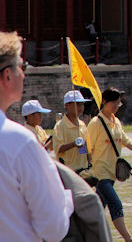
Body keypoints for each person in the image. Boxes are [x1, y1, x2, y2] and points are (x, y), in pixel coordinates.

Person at [0, 31, 72, 241]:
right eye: (22, 67)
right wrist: (67, 199)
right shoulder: (19, 142)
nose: (24, 74)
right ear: (7, 76)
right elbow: (53, 227)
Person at [86, 87, 132, 242]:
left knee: (96, 210)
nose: (116, 107)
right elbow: (88, 148)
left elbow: (126, 142)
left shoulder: (116, 122)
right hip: (99, 173)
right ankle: (128, 238)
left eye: (119, 104)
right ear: (104, 102)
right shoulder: (95, 123)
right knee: (115, 203)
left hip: (111, 174)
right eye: (113, 103)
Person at [53, 90, 93, 176]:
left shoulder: (82, 125)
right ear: (67, 105)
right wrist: (73, 144)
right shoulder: (60, 126)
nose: (81, 107)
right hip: (68, 172)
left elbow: (86, 149)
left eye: (82, 104)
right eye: (77, 104)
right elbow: (58, 148)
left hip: (83, 171)